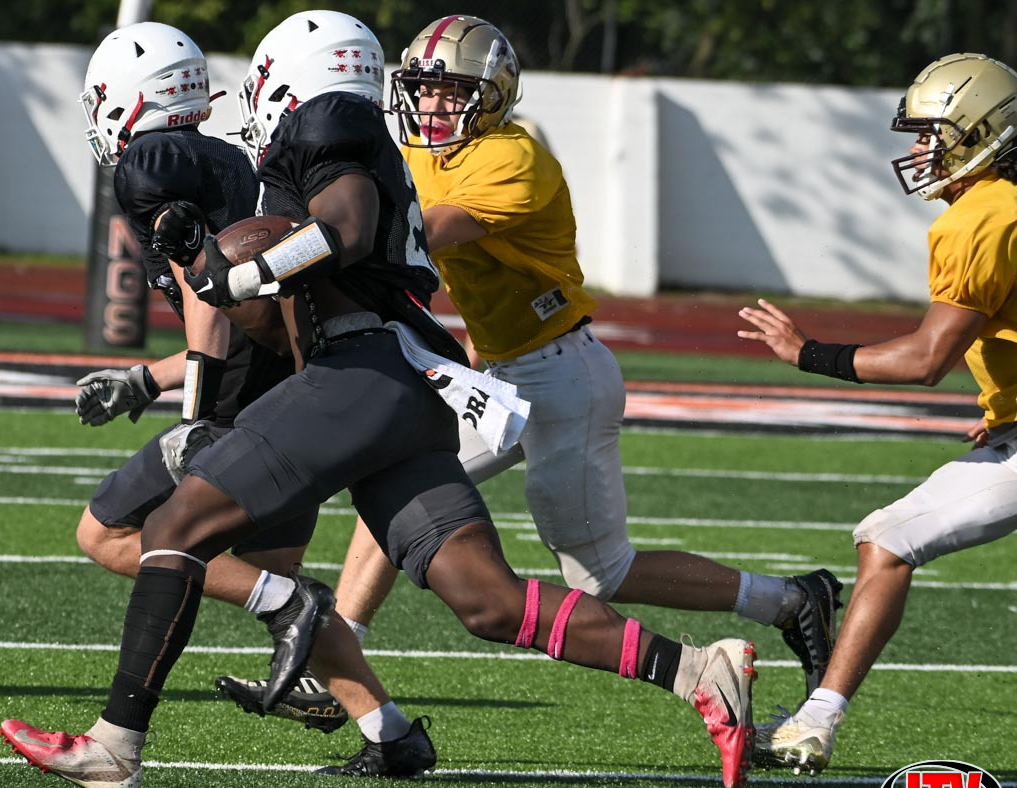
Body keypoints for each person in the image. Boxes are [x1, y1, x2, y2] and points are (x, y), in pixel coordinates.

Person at [1, 10, 758, 788]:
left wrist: (245, 275)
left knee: (172, 530)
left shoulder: (330, 122)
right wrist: (208, 265)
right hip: (401, 388)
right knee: (489, 599)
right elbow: (281, 306)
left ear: (289, 80)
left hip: (357, 373)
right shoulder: (339, 141)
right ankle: (694, 668)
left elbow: (345, 230)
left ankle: (116, 746)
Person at [219, 15, 839, 716]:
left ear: (491, 96)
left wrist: (301, 221)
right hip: (503, 371)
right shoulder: (418, 153)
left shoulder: (513, 156)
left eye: (451, 93)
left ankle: (789, 597)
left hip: (560, 375)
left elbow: (415, 233)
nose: (432, 107)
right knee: (392, 473)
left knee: (601, 574)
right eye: (422, 91)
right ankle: (340, 661)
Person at [3, 22, 434, 787]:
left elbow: (213, 307)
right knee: (257, 570)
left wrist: (194, 417)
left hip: (242, 406)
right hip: (293, 391)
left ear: (128, 103)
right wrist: (146, 378)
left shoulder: (151, 161)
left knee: (109, 532)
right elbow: (240, 305)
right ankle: (390, 730)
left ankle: (136, 728)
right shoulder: (231, 158)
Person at [738, 53, 1017, 776]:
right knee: (885, 538)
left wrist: (807, 353)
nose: (921, 150)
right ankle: (815, 719)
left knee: (888, 541)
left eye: (935, 134)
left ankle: (815, 721)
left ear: (982, 131)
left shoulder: (984, 215)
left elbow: (927, 358)